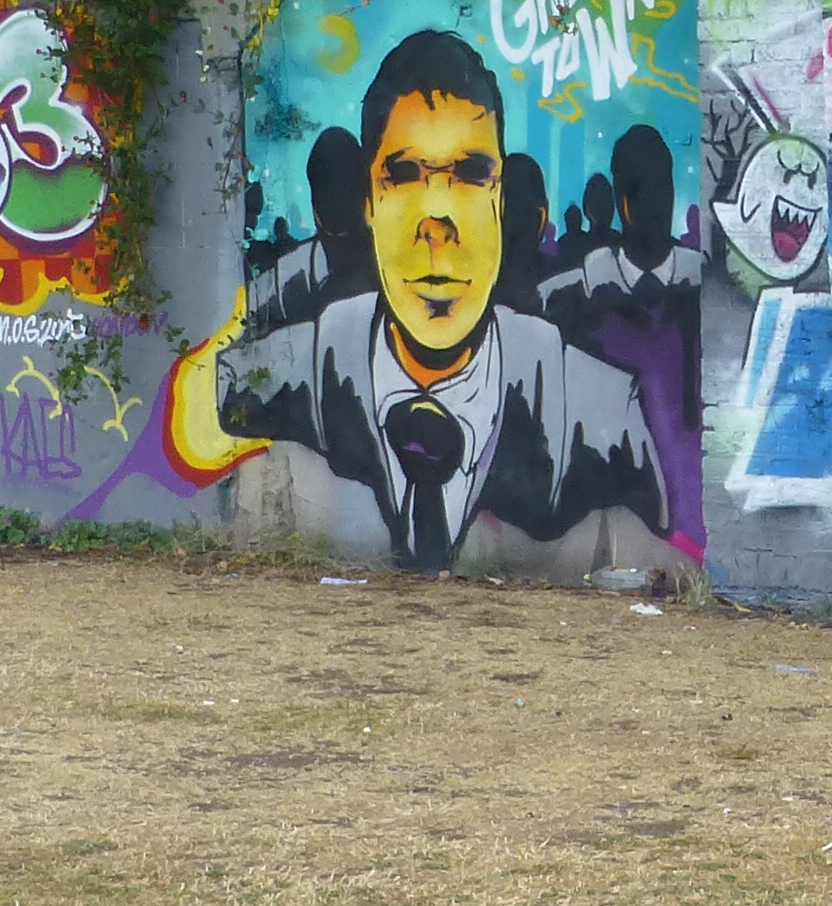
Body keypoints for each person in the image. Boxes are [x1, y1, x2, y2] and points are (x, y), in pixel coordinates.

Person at [214, 30, 665, 569]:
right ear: (368, 202)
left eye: (472, 174)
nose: (438, 219)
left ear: (500, 199)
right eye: (403, 174)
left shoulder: (601, 416)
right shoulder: (276, 382)